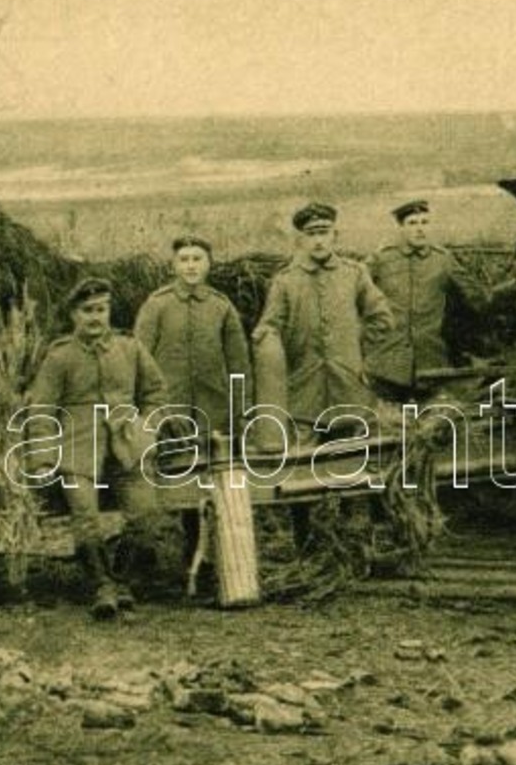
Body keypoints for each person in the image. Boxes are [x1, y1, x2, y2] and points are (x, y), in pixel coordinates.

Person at [27, 277, 168, 620]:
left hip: (126, 447)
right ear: (74, 315)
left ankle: (123, 582)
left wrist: (145, 429)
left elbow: (156, 393)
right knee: (86, 519)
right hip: (78, 450)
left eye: (101, 310)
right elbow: (42, 411)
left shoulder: (130, 349)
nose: (95, 317)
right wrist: (44, 458)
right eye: (87, 311)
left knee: (147, 516)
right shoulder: (60, 356)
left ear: (109, 311)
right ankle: (100, 586)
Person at [133, 235, 252, 570]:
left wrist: (240, 413)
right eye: (184, 259)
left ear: (209, 264)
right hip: (169, 416)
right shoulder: (156, 306)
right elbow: (137, 362)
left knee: (210, 484)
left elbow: (239, 366)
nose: (190, 266)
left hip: (212, 415)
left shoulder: (220, 307)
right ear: (173, 265)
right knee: (170, 482)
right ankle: (162, 555)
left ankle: (211, 557)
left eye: (197, 259)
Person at [253, 202, 394, 430]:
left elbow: (382, 320)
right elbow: (269, 329)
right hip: (303, 394)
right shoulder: (285, 281)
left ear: (334, 236)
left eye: (324, 233)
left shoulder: (354, 273)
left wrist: (361, 355)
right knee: (302, 459)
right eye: (311, 234)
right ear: (301, 240)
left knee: (359, 456)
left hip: (351, 390)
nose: (318, 240)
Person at [365, 199, 483, 402]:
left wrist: (514, 288)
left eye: (424, 222)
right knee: (389, 423)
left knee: (432, 424)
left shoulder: (443, 260)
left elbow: (478, 298)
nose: (420, 229)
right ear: (401, 228)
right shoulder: (382, 260)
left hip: (430, 364)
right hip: (386, 365)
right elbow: (355, 294)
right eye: (412, 223)